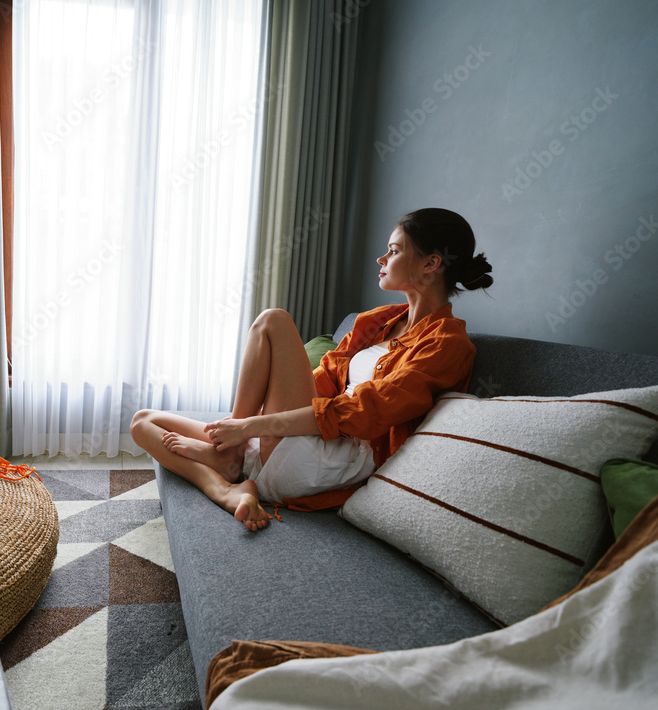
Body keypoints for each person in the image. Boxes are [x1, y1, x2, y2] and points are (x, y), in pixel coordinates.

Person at [130, 207, 494, 531]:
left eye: (395, 251)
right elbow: (323, 381)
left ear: (431, 264)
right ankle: (226, 487)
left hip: (336, 455)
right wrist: (250, 427)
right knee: (143, 422)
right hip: (299, 436)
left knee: (273, 321)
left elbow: (370, 411)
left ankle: (231, 454)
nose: (381, 258)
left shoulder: (448, 344)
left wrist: (249, 425)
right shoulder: (378, 322)